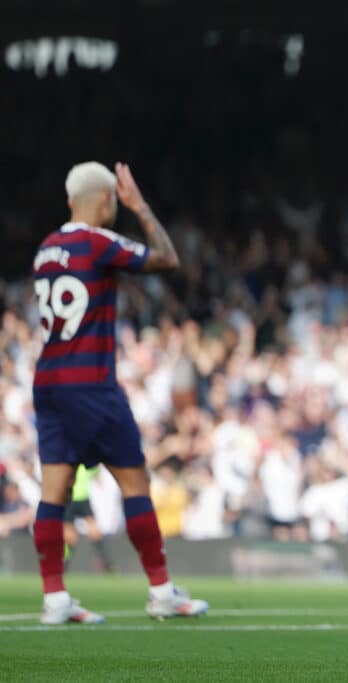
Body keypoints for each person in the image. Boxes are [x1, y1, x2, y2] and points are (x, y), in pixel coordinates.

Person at [31, 161, 208, 624]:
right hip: (91, 383)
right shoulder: (98, 241)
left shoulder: (46, 249)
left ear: (70, 200)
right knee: (135, 484)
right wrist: (142, 207)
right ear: (108, 200)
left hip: (48, 384)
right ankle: (162, 592)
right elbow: (167, 259)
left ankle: (54, 600)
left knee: (54, 493)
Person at [62, 465, 114, 573]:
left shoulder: (86, 464)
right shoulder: (69, 463)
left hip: (84, 500)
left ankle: (105, 562)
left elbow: (96, 472)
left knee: (95, 531)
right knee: (70, 536)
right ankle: (63, 563)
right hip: (69, 500)